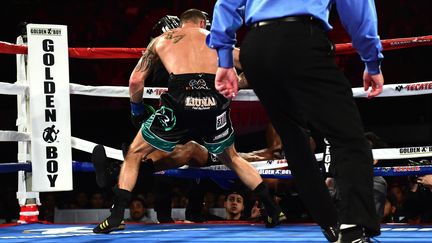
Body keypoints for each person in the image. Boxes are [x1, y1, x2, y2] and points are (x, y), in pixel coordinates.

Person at [206, 1, 385, 242]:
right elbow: (357, 9)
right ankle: (352, 229)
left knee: (293, 140)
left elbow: (226, 4)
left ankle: (331, 224)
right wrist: (371, 61)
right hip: (301, 39)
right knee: (348, 137)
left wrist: (225, 60)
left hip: (257, 47)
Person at [93, 9, 284, 234]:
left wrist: (136, 109)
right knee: (231, 157)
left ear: (180, 24)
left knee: (134, 153)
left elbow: (135, 81)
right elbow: (257, 67)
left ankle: (117, 215)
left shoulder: (161, 40)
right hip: (214, 100)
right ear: (203, 22)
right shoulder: (217, 39)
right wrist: (237, 83)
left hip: (179, 100)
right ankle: (272, 209)